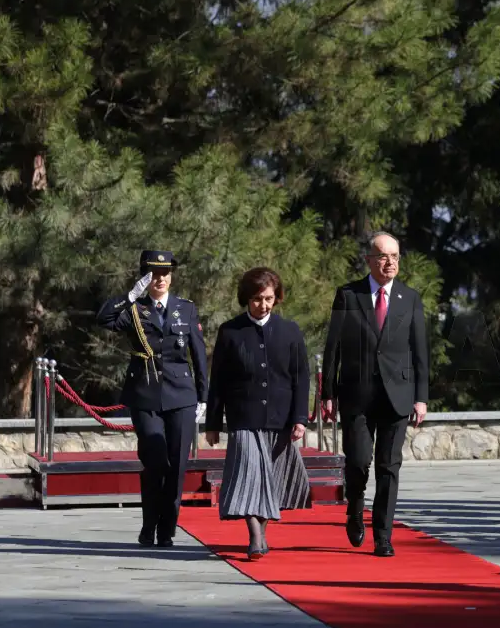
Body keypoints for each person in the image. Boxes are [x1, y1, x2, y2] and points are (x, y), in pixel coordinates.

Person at [322, 232, 429, 557]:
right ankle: (355, 509)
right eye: (383, 256)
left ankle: (383, 536)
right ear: (369, 259)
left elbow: (420, 350)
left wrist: (421, 396)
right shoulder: (348, 295)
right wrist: (328, 392)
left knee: (389, 466)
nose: (390, 262)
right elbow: (332, 348)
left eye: (395, 256)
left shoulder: (409, 298)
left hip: (398, 396)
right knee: (357, 463)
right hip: (357, 396)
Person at [97, 250, 208, 547]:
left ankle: (167, 529)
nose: (161, 279)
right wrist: (130, 294)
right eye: (154, 274)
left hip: (181, 395)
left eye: (165, 273)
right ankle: (149, 525)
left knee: (177, 466)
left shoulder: (185, 309)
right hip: (145, 395)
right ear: (145, 276)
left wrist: (203, 395)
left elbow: (198, 353)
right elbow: (104, 318)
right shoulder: (134, 308)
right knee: (155, 462)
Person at [204, 268, 311, 558]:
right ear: (246, 298)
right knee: (248, 476)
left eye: (268, 298)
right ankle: (254, 535)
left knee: (272, 480)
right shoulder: (230, 331)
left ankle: (261, 533)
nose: (262, 305)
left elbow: (301, 378)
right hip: (243, 417)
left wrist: (300, 418)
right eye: (256, 299)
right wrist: (212, 423)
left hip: (281, 417)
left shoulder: (290, 331)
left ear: (277, 298)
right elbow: (219, 382)